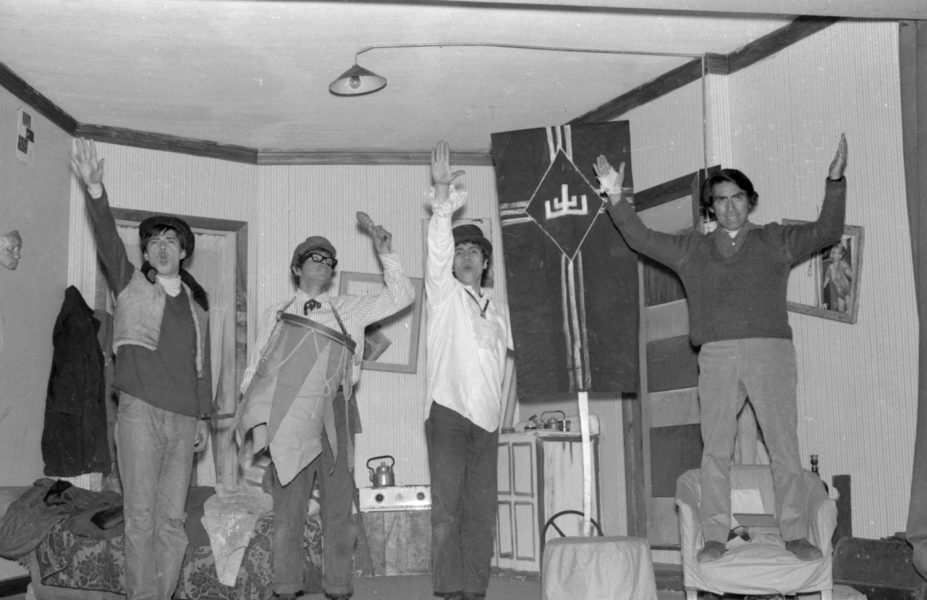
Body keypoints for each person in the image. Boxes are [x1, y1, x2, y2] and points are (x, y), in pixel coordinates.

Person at [596, 134, 848, 563]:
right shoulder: (692, 249)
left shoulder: (775, 240)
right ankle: (714, 535)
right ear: (710, 207)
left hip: (770, 353)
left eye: (737, 198)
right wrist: (615, 195)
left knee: (783, 447)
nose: (730, 207)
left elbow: (827, 230)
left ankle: (794, 534)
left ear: (750, 201)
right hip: (716, 356)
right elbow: (640, 238)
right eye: (720, 200)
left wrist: (835, 180)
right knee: (715, 450)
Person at [237, 218, 414, 600]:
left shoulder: (349, 310)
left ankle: (338, 588)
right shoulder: (277, 313)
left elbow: (401, 296)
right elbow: (256, 369)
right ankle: (286, 588)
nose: (323, 263)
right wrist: (254, 419)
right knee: (289, 509)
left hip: (337, 409)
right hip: (288, 414)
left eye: (328, 260)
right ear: (296, 268)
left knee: (338, 508)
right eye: (314, 258)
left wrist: (386, 252)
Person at [70, 138, 213, 600]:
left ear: (183, 252)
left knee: (172, 521)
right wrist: (95, 190)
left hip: (184, 418)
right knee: (141, 518)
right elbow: (107, 238)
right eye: (154, 241)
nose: (162, 247)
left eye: (171, 241)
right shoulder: (129, 285)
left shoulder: (198, 307)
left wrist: (203, 418)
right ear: (147, 255)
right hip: (138, 413)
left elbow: (202, 368)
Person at [425, 141, 512, 600]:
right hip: (448, 413)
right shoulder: (443, 295)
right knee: (447, 512)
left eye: (474, 251)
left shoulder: (497, 310)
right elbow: (438, 250)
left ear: (485, 261)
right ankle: (449, 589)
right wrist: (442, 192)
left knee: (481, 511)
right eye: (460, 250)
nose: (465, 256)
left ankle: (474, 589)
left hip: (488, 421)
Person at [822, 240, 852, 312]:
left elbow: (852, 276)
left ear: (840, 255)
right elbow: (826, 281)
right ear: (832, 254)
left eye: (839, 253)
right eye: (835, 253)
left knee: (849, 312)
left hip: (847, 292)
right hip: (839, 294)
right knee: (841, 314)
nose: (837, 255)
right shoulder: (830, 267)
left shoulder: (843, 264)